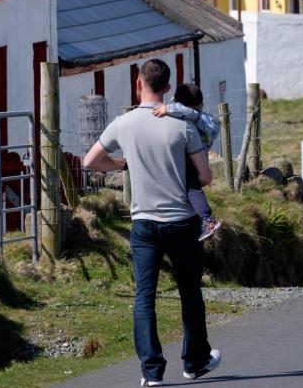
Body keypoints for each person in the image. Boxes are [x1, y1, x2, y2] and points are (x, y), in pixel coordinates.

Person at [83, 59, 221, 385]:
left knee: (145, 296)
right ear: (168, 88)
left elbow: (90, 161)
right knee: (190, 292)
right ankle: (194, 362)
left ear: (138, 84)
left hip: (143, 222)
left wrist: (123, 162)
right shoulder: (183, 126)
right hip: (182, 221)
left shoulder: (123, 123)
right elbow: (205, 176)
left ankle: (152, 371)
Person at [152, 83, 223, 241]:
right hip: (200, 159)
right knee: (191, 187)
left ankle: (207, 219)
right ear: (202, 104)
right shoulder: (208, 120)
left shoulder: (194, 117)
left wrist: (167, 109)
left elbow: (188, 112)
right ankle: (202, 217)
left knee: (191, 186)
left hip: (192, 160)